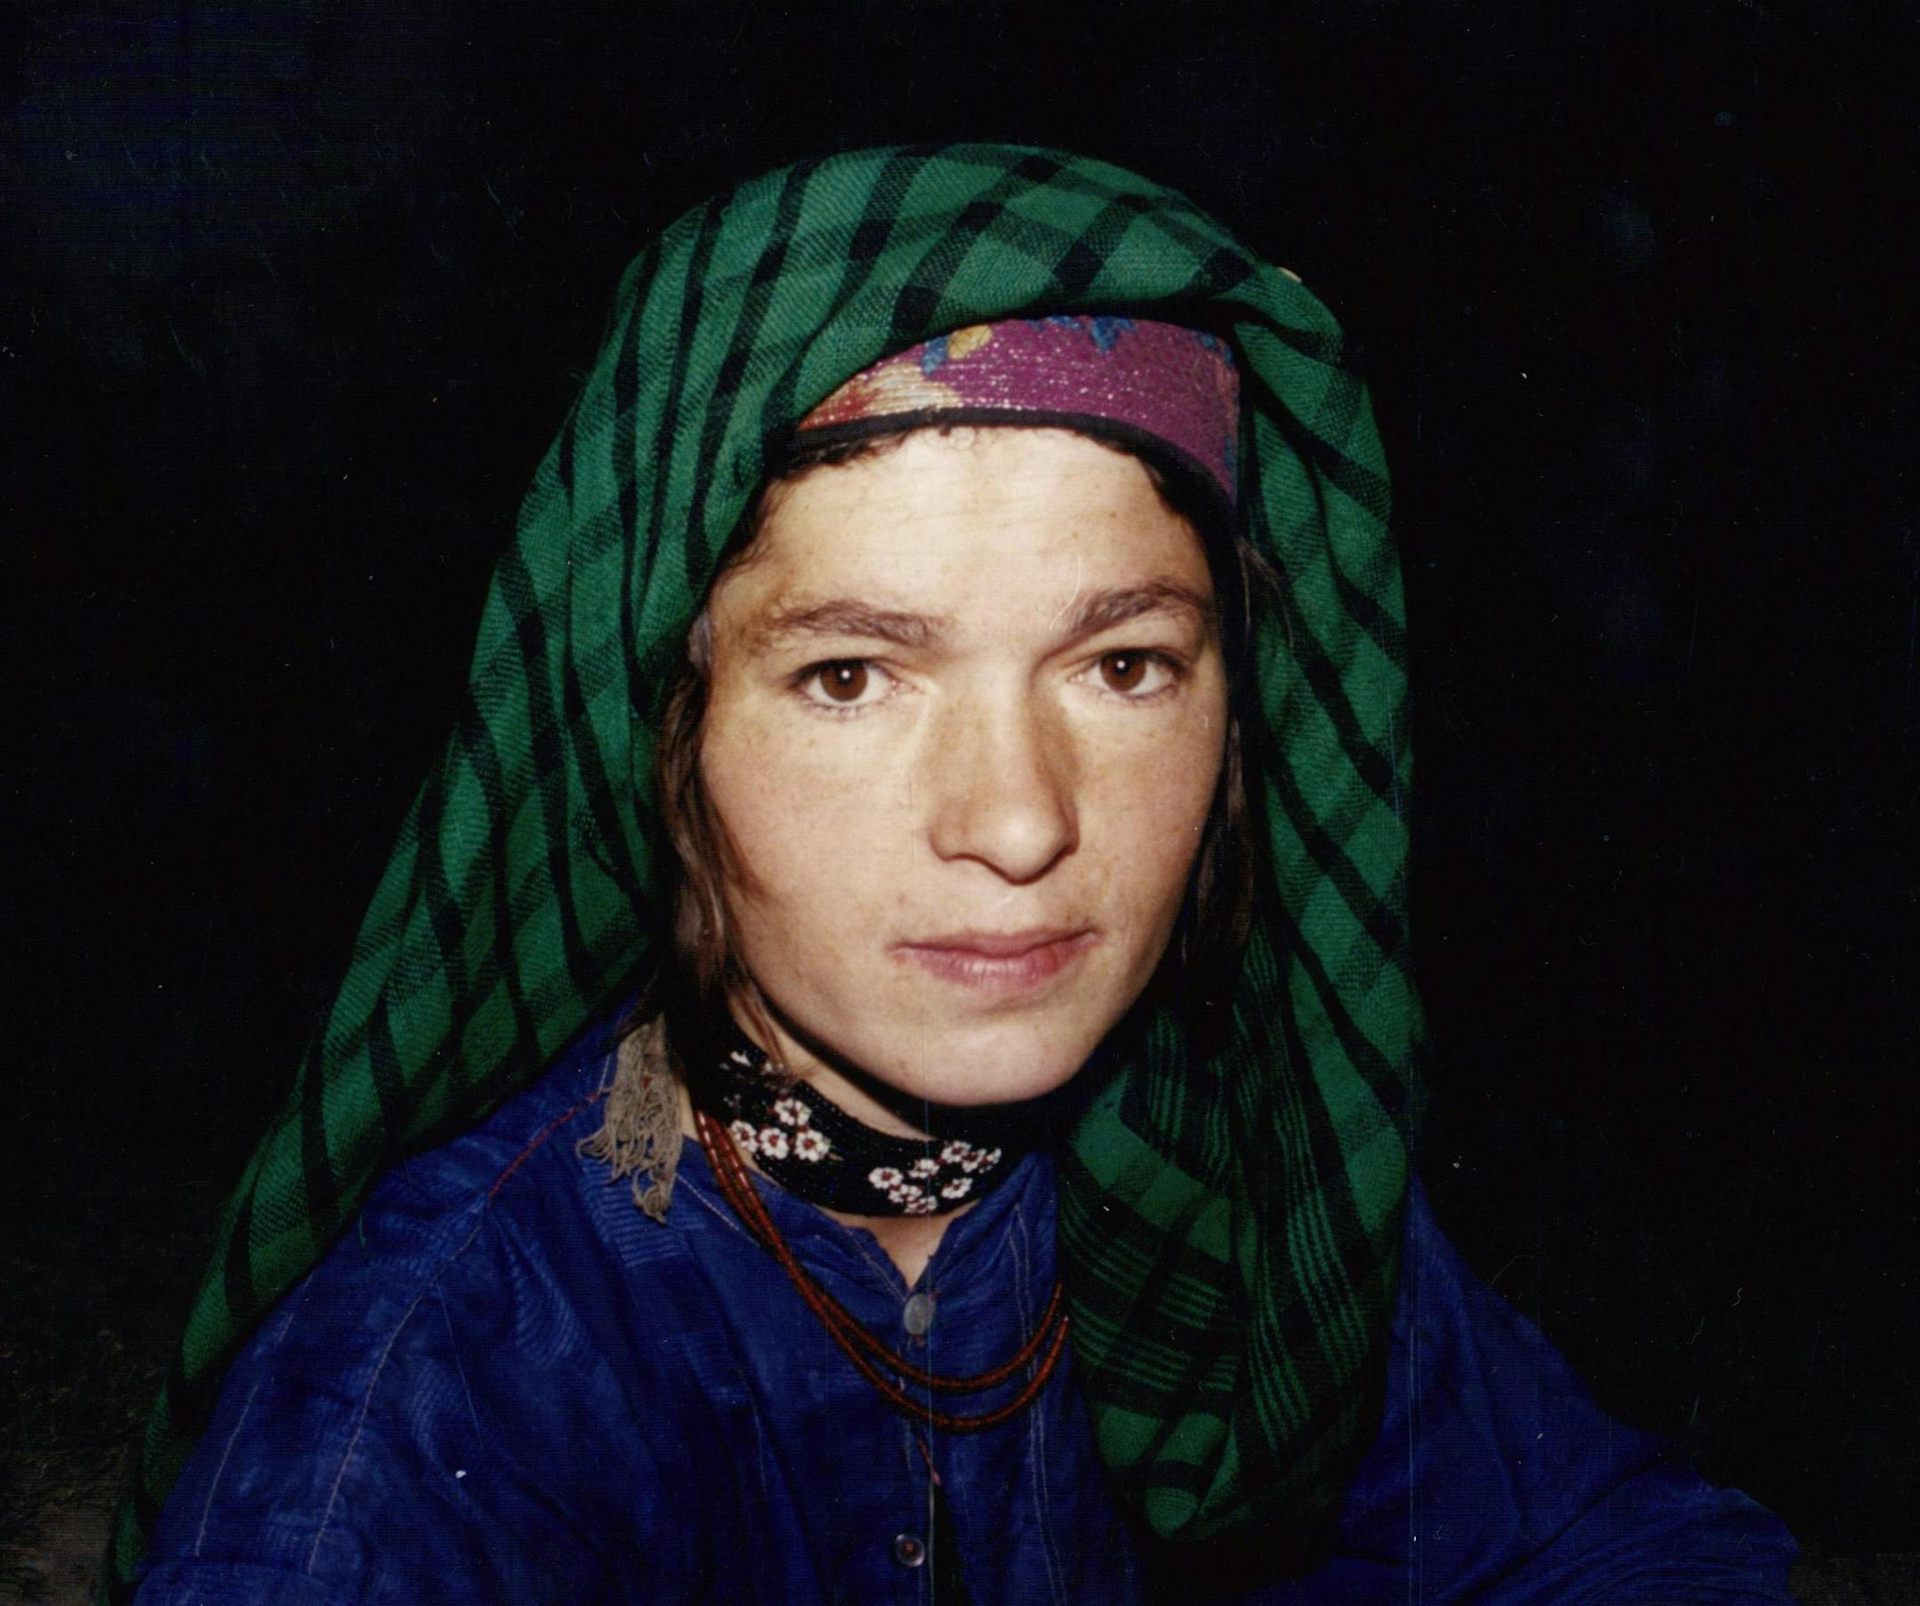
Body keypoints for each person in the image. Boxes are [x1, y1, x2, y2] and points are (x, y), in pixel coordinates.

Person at [116, 144, 1795, 1603]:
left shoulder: (1214, 1152)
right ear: (665, 731)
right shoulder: (447, 1391)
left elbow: (1631, 1541)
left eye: (1124, 664)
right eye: (850, 674)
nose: (1016, 824)